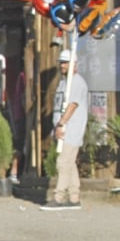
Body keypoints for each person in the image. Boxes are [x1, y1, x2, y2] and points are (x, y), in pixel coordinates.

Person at [40, 49, 88, 211]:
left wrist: (61, 124)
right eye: (61, 62)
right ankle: (74, 197)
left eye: (66, 62)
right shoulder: (64, 82)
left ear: (74, 64)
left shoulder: (77, 82)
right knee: (70, 163)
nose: (62, 65)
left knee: (63, 163)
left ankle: (59, 197)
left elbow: (72, 105)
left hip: (71, 129)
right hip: (63, 129)